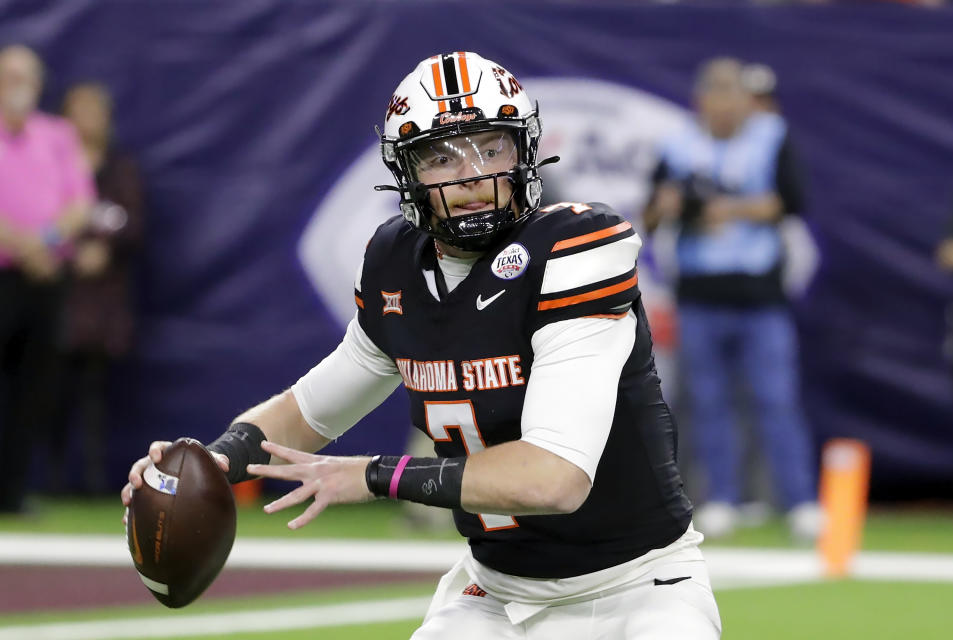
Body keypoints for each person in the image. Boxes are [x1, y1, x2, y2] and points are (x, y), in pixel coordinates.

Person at [122, 52, 721, 639]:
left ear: (524, 153)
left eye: (491, 148)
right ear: (407, 175)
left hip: (638, 589)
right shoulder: (396, 261)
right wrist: (207, 464)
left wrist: (374, 475)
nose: (472, 176)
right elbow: (311, 408)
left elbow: (554, 480)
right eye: (441, 157)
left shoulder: (578, 248)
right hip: (494, 594)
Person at [644, 57, 821, 541]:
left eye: (733, 95)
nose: (724, 106)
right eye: (716, 95)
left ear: (746, 100)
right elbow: (651, 212)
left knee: (775, 398)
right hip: (700, 292)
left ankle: (800, 500)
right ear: (701, 99)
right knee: (708, 400)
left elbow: (790, 201)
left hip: (760, 293)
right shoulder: (678, 142)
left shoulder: (770, 135)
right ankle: (720, 496)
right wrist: (669, 206)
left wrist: (728, 208)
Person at [0, 44, 94, 513]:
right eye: (9, 76)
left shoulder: (57, 135)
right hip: (5, 276)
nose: (18, 86)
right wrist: (24, 245)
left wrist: (46, 240)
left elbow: (80, 202)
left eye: (26, 78)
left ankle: (11, 492)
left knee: (34, 388)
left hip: (46, 280)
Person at [50, 83, 144, 493]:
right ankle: (45, 481)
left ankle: (92, 482)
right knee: (48, 392)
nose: (87, 120)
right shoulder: (46, 166)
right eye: (79, 110)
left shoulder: (121, 170)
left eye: (95, 111)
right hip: (52, 297)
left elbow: (133, 224)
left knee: (95, 395)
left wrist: (105, 250)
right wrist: (66, 251)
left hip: (103, 304)